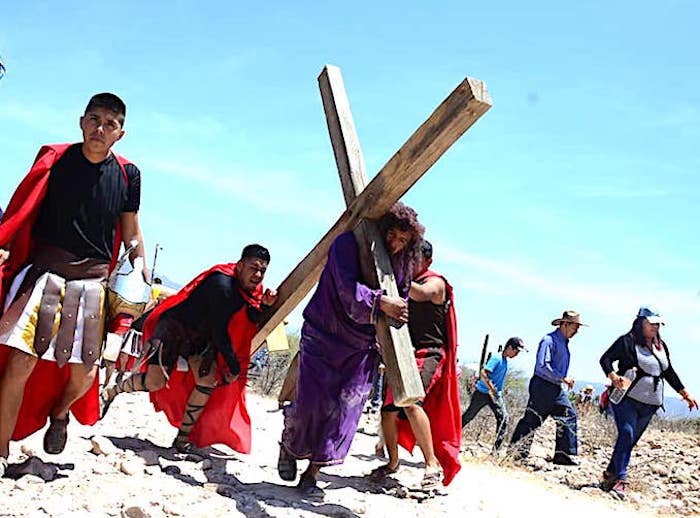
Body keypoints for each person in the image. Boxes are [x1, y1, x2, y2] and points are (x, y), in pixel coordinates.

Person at [0, 93, 146, 477]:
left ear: (121, 133)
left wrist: (140, 265)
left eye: (110, 123)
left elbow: (130, 228)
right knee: (20, 362)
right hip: (44, 273)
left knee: (84, 375)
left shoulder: (129, 175)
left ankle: (61, 411)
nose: (100, 129)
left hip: (93, 284)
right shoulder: (55, 159)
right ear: (81, 121)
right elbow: (23, 209)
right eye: (94, 119)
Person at [277, 202, 424, 496]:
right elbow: (346, 289)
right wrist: (381, 302)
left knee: (344, 411)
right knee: (311, 405)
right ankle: (289, 447)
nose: (395, 244)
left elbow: (401, 300)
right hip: (324, 334)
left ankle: (312, 474)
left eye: (403, 241)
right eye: (392, 236)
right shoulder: (346, 245)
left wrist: (394, 329)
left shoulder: (404, 263)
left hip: (362, 347)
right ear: (382, 230)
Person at [100, 245, 277, 455]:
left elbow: (248, 316)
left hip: (199, 339)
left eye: (262, 270)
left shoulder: (245, 289)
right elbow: (220, 329)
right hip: (172, 330)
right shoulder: (223, 284)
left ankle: (182, 439)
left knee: (207, 381)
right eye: (253, 268)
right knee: (155, 382)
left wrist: (265, 306)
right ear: (239, 265)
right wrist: (233, 364)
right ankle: (111, 392)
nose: (257, 275)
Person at [372, 239, 462, 488]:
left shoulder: (435, 283)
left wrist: (390, 276)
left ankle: (431, 464)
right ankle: (392, 463)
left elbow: (422, 294)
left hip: (430, 352)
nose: (410, 263)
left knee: (411, 402)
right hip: (406, 352)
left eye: (415, 259)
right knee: (388, 411)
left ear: (428, 261)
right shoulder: (403, 284)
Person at [598, 306, 698, 499]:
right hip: (626, 398)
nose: (655, 327)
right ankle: (621, 480)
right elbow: (606, 359)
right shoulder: (626, 342)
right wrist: (613, 376)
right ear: (640, 323)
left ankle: (610, 473)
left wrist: (684, 393)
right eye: (651, 323)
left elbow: (668, 371)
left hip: (651, 403)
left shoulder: (661, 346)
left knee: (630, 440)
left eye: (657, 324)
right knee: (626, 434)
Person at [509, 310, 586, 465]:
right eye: (575, 327)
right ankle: (516, 454)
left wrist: (562, 379)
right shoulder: (549, 340)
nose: (577, 331)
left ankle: (562, 455)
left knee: (568, 415)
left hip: (556, 388)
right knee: (532, 419)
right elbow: (542, 365)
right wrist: (562, 377)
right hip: (543, 386)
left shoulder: (563, 342)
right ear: (565, 324)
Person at [461, 337, 526, 452]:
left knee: (503, 418)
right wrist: (491, 388)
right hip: (483, 393)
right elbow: (484, 373)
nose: (516, 355)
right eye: (516, 351)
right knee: (468, 416)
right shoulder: (497, 358)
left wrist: (495, 392)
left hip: (495, 395)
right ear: (510, 348)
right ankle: (449, 437)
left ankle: (495, 452)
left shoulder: (505, 361)